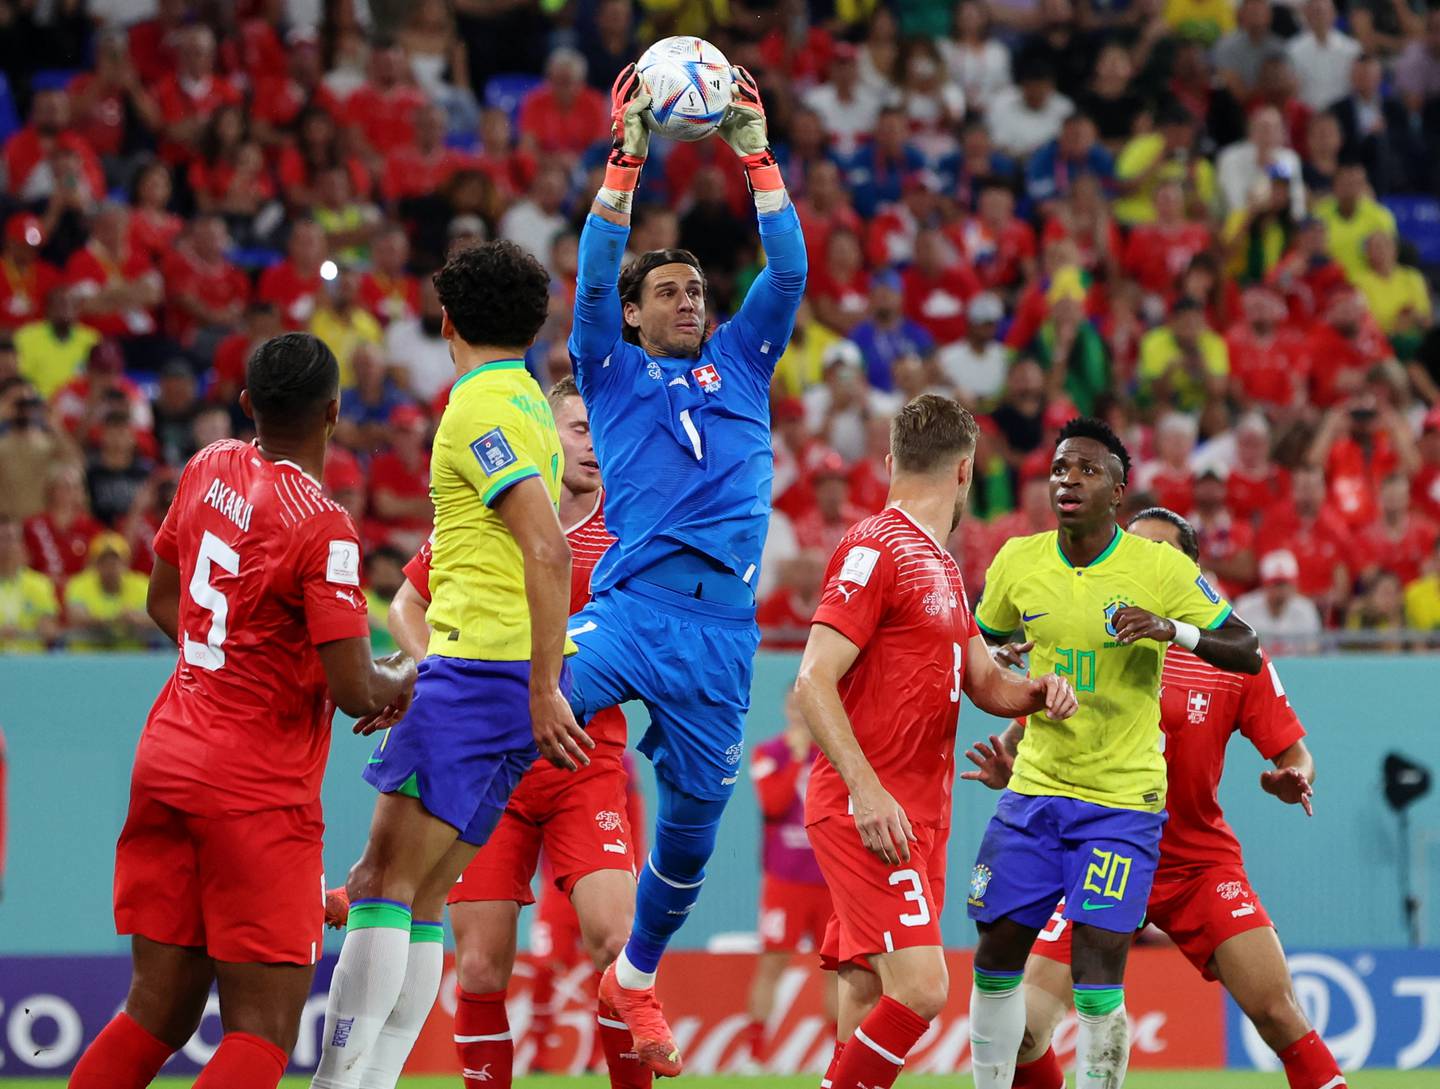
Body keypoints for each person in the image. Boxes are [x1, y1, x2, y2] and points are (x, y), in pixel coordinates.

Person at [65, 333, 416, 1089]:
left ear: (249, 403)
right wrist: (407, 672)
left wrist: (225, 668)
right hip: (254, 791)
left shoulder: (206, 465)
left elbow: (163, 598)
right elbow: (358, 688)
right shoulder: (324, 528)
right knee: (261, 1031)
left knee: (154, 1011)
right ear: (334, 412)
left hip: (167, 758)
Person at [566, 64, 807, 1076]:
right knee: (502, 706)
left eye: (698, 290)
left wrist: (756, 151)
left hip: (721, 637)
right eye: (667, 290)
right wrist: (627, 157)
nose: (689, 299)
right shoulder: (611, 374)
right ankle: (375, 885)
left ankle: (637, 973)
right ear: (629, 315)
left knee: (699, 831)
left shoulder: (744, 363)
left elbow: (786, 275)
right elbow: (590, 271)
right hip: (628, 612)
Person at [323, 376, 649, 1089]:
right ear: (547, 437)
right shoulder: (490, 512)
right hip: (486, 754)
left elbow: (642, 641)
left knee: (615, 938)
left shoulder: (629, 534)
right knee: (477, 963)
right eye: (578, 429)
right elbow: (410, 601)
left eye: (602, 430)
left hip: (580, 759)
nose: (593, 445)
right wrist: (429, 670)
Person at [309, 241, 583, 1089]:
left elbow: (547, 546)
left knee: (376, 880)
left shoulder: (478, 411)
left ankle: (337, 1080)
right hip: (498, 677)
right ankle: (375, 1081)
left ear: (447, 322)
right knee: (424, 896)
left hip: (480, 674)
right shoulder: (532, 404)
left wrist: (540, 687)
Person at [968, 507, 1345, 1089]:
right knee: (1024, 1034)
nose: (1130, 561)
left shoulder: (1232, 664)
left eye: (1153, 553)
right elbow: (1034, 725)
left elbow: (1294, 752)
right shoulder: (1086, 639)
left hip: (1192, 861)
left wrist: (1292, 775)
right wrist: (1011, 763)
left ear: (1183, 572)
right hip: (1094, 846)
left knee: (1278, 1015)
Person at [965, 415, 1261, 1089]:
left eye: (1088, 470)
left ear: (1118, 492)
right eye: (1061, 468)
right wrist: (1010, 667)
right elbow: (976, 650)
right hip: (1035, 792)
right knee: (995, 953)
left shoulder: (1157, 567)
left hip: (1120, 803)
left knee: (1098, 970)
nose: (1069, 480)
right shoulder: (1017, 561)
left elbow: (1247, 648)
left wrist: (1170, 627)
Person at [794, 395, 1077, 1089]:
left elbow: (986, 681)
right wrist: (866, 790)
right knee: (921, 986)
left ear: (892, 462)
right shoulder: (875, 547)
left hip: (920, 818)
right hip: (872, 812)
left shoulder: (944, 568)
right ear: (966, 472)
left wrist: (1038, 690)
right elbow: (811, 679)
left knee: (865, 994)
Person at [743, 694, 835, 1070]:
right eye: (795, 706)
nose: (800, 713)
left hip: (830, 878)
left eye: (806, 705)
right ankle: (754, 1057)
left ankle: (839, 1055)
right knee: (772, 964)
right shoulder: (769, 753)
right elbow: (773, 805)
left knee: (839, 968)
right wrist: (797, 757)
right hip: (785, 879)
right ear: (786, 710)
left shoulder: (834, 755)